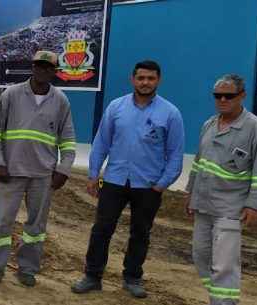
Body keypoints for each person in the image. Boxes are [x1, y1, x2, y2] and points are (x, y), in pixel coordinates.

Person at [72, 60, 184, 298]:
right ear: (132, 79)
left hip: (148, 186)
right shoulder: (116, 107)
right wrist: (93, 175)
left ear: (158, 80)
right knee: (101, 229)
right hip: (114, 181)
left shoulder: (170, 113)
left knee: (141, 233)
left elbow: (175, 153)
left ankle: (132, 278)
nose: (145, 83)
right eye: (141, 78)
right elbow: (102, 142)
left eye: (150, 78)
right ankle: (92, 276)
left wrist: (162, 184)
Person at [0, 50, 76, 289]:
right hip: (11, 172)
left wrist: (64, 169)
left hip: (43, 175)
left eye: (48, 68)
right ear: (33, 67)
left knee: (36, 228)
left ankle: (27, 269)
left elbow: (68, 139)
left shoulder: (60, 100)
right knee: (2, 222)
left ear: (54, 72)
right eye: (39, 66)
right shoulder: (12, 94)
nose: (43, 71)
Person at [186, 74, 257, 305]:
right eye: (218, 96)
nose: (223, 99)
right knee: (201, 256)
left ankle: (223, 303)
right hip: (203, 205)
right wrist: (191, 192)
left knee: (224, 265)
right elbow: (198, 162)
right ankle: (221, 299)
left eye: (229, 95)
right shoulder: (209, 125)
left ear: (242, 95)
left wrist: (255, 203)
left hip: (230, 209)